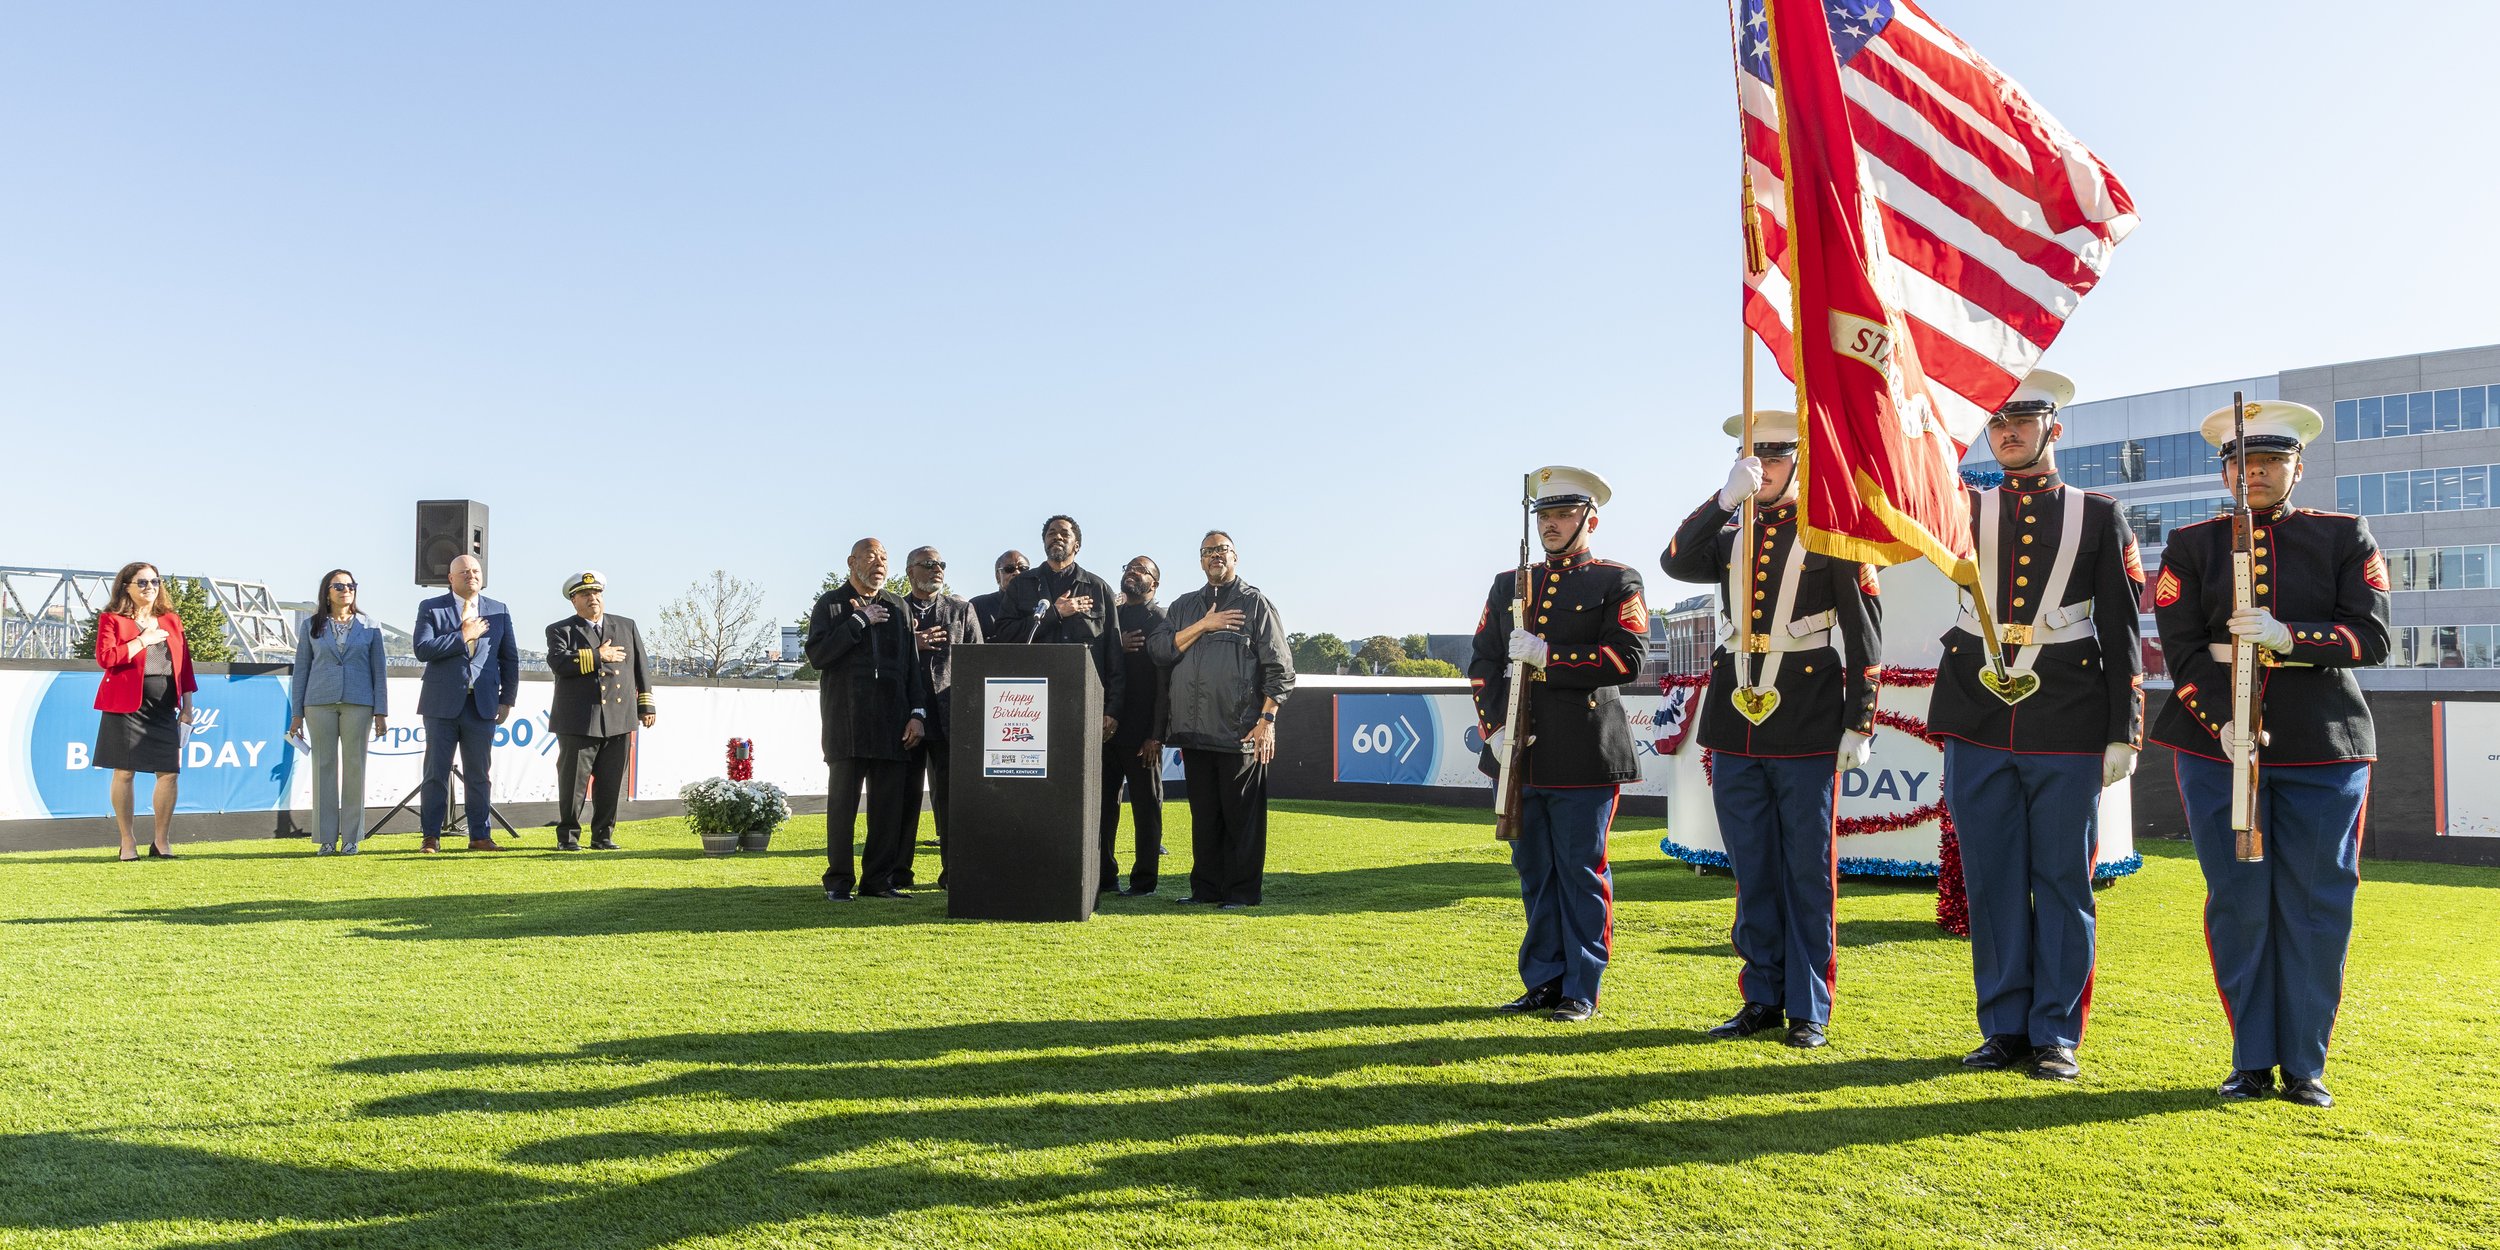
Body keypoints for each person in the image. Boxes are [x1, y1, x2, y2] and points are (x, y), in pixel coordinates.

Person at [2150, 400, 2387, 1109]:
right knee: (2240, 902)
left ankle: (2305, 1065)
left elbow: (2370, 639)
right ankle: (2251, 1060)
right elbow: (2182, 647)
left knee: (2317, 904)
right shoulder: (2190, 546)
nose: (2251, 474)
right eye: (2239, 463)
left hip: (2323, 745)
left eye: (2267, 462)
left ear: (2296, 468)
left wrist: (2291, 637)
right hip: (2217, 747)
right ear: (2224, 473)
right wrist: (2222, 721)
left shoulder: (2343, 536)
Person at [1927, 370, 2145, 1082]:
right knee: (1991, 883)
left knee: (2061, 882)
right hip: (1977, 716)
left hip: (2068, 721)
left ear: (2054, 427)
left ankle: (2055, 1032)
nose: (2008, 432)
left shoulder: (2098, 514)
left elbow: (2121, 627)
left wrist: (2125, 729)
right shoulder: (1960, 509)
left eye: (2022, 420)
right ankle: (2003, 1028)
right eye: (1996, 423)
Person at [1663, 410, 1882, 1049]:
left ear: (1801, 461)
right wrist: (1721, 499)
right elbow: (1674, 560)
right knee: (1753, 867)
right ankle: (1761, 994)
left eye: (1774, 457)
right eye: (1748, 459)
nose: (1760, 469)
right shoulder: (1731, 530)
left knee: (1806, 868)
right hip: (1736, 718)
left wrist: (1859, 719)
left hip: (1808, 713)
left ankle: (1808, 1005)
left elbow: (1865, 633)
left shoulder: (1833, 532)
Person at [1469, 468, 1649, 1024]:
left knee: (1580, 872)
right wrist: (1496, 732)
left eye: (1563, 514)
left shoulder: (1617, 581)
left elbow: (1628, 659)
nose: (1551, 524)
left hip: (1583, 752)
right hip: (1523, 755)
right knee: (1535, 872)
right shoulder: (1509, 584)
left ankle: (1581, 986)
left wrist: (1550, 654)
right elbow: (1481, 663)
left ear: (1589, 519)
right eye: (1543, 516)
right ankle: (1543, 980)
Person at [1148, 531, 1293, 909]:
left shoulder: (1255, 603)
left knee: (1241, 820)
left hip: (1240, 732)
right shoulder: (1183, 607)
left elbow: (1281, 670)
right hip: (1194, 735)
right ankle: (1206, 890)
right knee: (1205, 819)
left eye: (1223, 550)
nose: (1216, 556)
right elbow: (1159, 650)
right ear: (1200, 561)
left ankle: (1242, 893)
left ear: (1235, 557)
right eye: (1209, 551)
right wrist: (1203, 626)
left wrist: (1267, 720)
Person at [806, 538, 929, 901]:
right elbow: (819, 655)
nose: (879, 563)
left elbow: (911, 666)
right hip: (847, 722)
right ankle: (839, 882)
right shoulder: (830, 604)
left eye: (885, 558)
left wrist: (917, 714)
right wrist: (858, 620)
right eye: (872, 557)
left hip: (892, 723)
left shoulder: (897, 607)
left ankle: (878, 880)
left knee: (887, 808)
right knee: (842, 807)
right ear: (852, 562)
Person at [411, 553, 520, 853]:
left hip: (482, 705)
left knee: (478, 775)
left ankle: (480, 836)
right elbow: (423, 649)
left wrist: (507, 699)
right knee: (435, 773)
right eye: (464, 572)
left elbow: (509, 659)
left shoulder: (498, 610)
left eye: (476, 571)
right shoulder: (431, 607)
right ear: (450, 578)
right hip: (441, 705)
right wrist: (463, 635)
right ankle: (431, 836)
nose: (471, 575)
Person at [91, 562, 198, 860]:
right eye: (142, 582)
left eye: (154, 581)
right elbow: (106, 658)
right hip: (125, 706)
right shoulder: (112, 619)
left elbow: (185, 666)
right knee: (124, 772)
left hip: (164, 706)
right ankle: (127, 841)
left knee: (169, 773)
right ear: (126, 586)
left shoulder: (172, 621)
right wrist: (142, 640)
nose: (149, 587)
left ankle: (161, 842)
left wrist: (187, 707)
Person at [544, 570, 655, 851]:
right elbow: (560, 664)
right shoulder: (561, 630)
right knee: (573, 784)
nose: (592, 598)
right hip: (578, 720)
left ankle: (603, 836)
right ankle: (567, 837)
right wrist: (598, 655)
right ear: (573, 601)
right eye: (585, 594)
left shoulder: (626, 625)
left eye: (596, 593)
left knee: (611, 782)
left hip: (618, 718)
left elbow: (641, 667)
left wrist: (646, 705)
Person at [996, 516, 1123, 742]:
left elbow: (1113, 652)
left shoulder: (1098, 588)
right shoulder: (1021, 584)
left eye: (1064, 533)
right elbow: (1005, 635)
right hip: (1029, 704)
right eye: (1051, 533)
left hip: (1083, 700)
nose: (1057, 536)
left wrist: (1112, 709)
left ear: (1077, 545)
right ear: (1044, 542)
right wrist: (1054, 614)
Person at [289, 568, 389, 855]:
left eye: (351, 585)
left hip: (359, 702)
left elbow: (378, 671)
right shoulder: (310, 626)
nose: (346, 590)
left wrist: (381, 711)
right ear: (327, 592)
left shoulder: (370, 625)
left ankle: (352, 838)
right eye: (339, 586)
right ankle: (326, 839)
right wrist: (297, 713)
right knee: (324, 768)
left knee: (355, 768)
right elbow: (302, 671)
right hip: (318, 702)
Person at [899, 546, 982, 888]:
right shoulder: (895, 609)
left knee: (950, 801)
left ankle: (954, 873)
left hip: (950, 720)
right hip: (904, 719)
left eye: (941, 565)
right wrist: (911, 642)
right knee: (902, 801)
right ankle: (897, 874)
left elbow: (978, 663)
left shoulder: (961, 610)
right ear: (910, 572)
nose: (937, 570)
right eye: (928, 564)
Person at [1102, 555, 1171, 896]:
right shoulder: (1109, 617)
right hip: (1106, 733)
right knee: (1103, 810)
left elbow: (1164, 686)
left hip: (1142, 737)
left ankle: (1144, 882)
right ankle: (1104, 877)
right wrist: (1116, 645)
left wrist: (1156, 735)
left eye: (1142, 570)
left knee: (1146, 809)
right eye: (1129, 567)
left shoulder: (1160, 620)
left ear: (1154, 584)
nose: (1133, 572)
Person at [968, 550, 1029, 642]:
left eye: (1023, 569)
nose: (1017, 573)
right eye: (1009, 569)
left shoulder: (1041, 607)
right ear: (997, 576)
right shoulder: (977, 606)